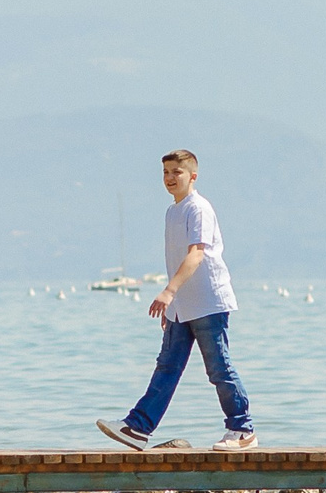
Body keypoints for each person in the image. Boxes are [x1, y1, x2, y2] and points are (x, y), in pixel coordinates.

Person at [97, 149, 256, 450]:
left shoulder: (198, 209)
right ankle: (138, 428)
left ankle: (243, 430)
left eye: (177, 172)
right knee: (166, 367)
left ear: (193, 176)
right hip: (182, 307)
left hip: (209, 301)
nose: (170, 178)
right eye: (166, 173)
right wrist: (173, 303)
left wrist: (168, 292)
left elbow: (196, 254)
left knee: (219, 367)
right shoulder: (173, 211)